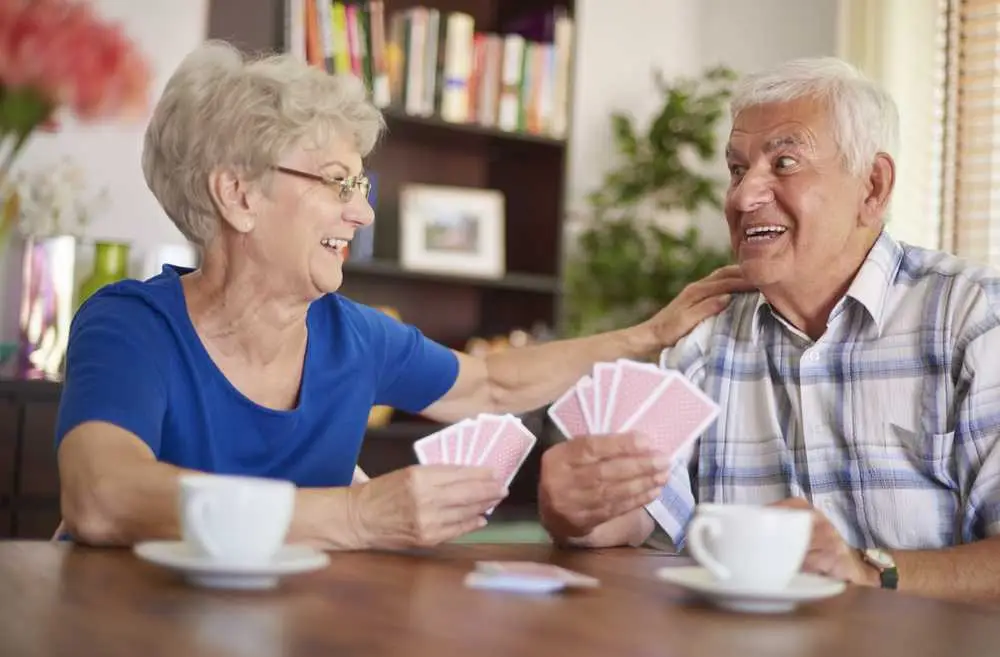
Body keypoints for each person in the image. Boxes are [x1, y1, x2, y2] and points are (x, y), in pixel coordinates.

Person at [55, 41, 748, 551]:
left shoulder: (353, 335)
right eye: (336, 182)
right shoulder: (132, 326)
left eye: (361, 186)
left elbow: (494, 383)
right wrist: (356, 515)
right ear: (239, 194)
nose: (362, 214)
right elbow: (102, 495)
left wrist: (645, 335)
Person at [538, 56, 1000, 602]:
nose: (741, 197)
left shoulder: (971, 318)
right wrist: (576, 510)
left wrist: (871, 571)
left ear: (872, 187)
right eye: (737, 169)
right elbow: (634, 516)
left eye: (783, 163)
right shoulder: (704, 337)